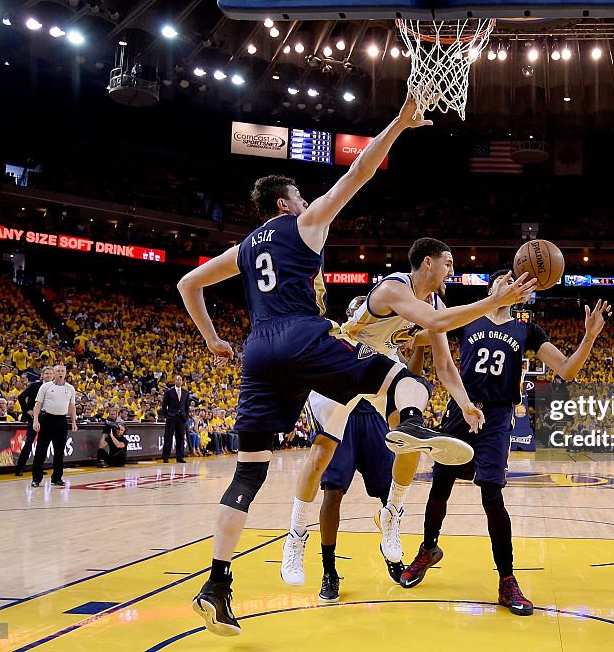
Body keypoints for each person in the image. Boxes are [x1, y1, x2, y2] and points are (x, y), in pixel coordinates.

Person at [179, 95, 534, 637]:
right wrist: (400, 122)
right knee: (401, 383)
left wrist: (213, 341)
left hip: (257, 350)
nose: (305, 199)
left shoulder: (246, 248)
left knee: (249, 470)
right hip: (307, 338)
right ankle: (394, 441)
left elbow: (188, 284)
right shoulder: (305, 224)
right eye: (298, 195)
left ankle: (217, 585)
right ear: (284, 204)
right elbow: (362, 169)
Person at [280, 238, 533, 591]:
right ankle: (295, 535)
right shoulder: (393, 287)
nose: (452, 270)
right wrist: (494, 301)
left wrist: (464, 404)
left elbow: (444, 366)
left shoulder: (435, 302)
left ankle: (392, 513)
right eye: (448, 263)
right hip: (342, 360)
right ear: (427, 263)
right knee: (321, 454)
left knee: (411, 425)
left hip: (379, 367)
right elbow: (434, 320)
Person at [400, 269, 611, 616]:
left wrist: (588, 337)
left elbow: (567, 369)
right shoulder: (468, 316)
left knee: (492, 495)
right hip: (460, 408)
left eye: (518, 281)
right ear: (494, 287)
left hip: (497, 417)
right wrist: (407, 337)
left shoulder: (528, 329)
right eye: (506, 279)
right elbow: (428, 333)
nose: (512, 283)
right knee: (440, 485)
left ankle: (507, 579)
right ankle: (428, 549)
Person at [314, 296, 424, 602]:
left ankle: (392, 553)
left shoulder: (387, 346)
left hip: (373, 420)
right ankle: (329, 570)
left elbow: (409, 379)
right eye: (356, 309)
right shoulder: (338, 340)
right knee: (332, 492)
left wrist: (420, 347)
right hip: (342, 420)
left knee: (387, 493)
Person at [30, 364, 78, 488]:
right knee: (41, 449)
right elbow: (37, 404)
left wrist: (73, 422)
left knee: (59, 451)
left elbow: (72, 407)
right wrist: (36, 420)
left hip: (62, 420)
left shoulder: (70, 388)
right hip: (47, 419)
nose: (60, 373)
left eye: (63, 371)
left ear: (66, 373)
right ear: (54, 373)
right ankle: (36, 478)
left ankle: (57, 478)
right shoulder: (46, 386)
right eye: (58, 371)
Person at [16, 367, 53, 476]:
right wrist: (27, 409)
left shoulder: (55, 387)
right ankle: (19, 468)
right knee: (28, 443)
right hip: (34, 418)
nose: (49, 375)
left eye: (51, 374)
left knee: (43, 444)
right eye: (47, 373)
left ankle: (38, 469)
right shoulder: (35, 385)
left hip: (47, 418)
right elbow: (21, 397)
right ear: (42, 375)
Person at [161, 375, 192, 463]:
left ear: (182, 382)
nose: (179, 381)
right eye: (177, 379)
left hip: (181, 418)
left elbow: (186, 406)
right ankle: (166, 456)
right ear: (174, 381)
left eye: (180, 380)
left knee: (180, 438)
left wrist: (186, 416)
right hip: (171, 417)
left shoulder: (185, 392)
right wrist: (166, 415)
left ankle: (180, 457)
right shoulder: (169, 392)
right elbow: (164, 405)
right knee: (168, 437)